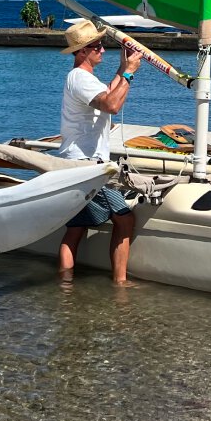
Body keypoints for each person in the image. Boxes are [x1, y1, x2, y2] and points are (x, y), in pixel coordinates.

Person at [55, 19, 143, 284]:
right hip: (86, 166)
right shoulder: (80, 79)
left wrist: (123, 66)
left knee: (76, 228)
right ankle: (120, 284)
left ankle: (66, 285)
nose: (102, 50)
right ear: (82, 52)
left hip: (78, 163)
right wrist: (128, 73)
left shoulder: (83, 78)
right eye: (97, 46)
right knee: (124, 220)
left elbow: (107, 93)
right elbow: (112, 105)